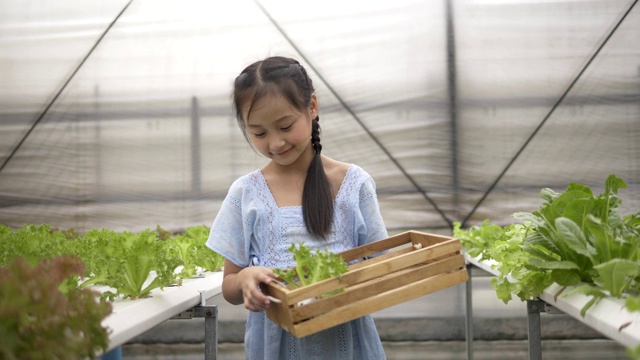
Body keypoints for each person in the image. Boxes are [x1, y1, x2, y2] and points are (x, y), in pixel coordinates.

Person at [206, 55, 388, 359]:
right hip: (275, 347)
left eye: (285, 126)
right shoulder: (246, 193)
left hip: (347, 345)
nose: (276, 143)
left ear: (312, 107)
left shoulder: (354, 184)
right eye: (259, 133)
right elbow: (230, 285)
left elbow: (381, 268)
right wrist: (246, 280)